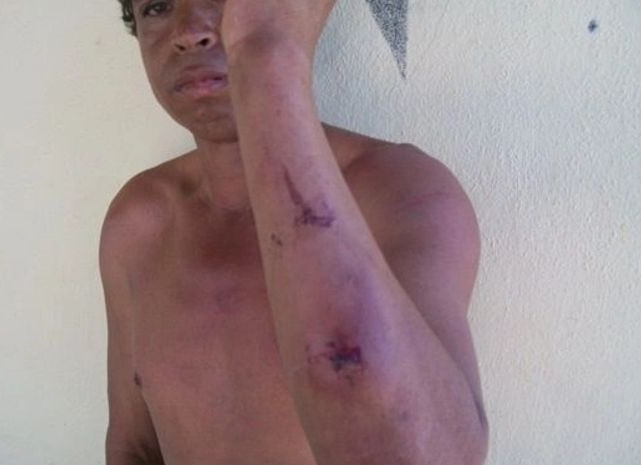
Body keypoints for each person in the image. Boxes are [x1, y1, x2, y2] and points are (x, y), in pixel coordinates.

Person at [100, 1, 489, 464]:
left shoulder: (400, 191)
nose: (188, 32)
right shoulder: (139, 223)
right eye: (158, 7)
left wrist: (266, 56)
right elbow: (133, 445)